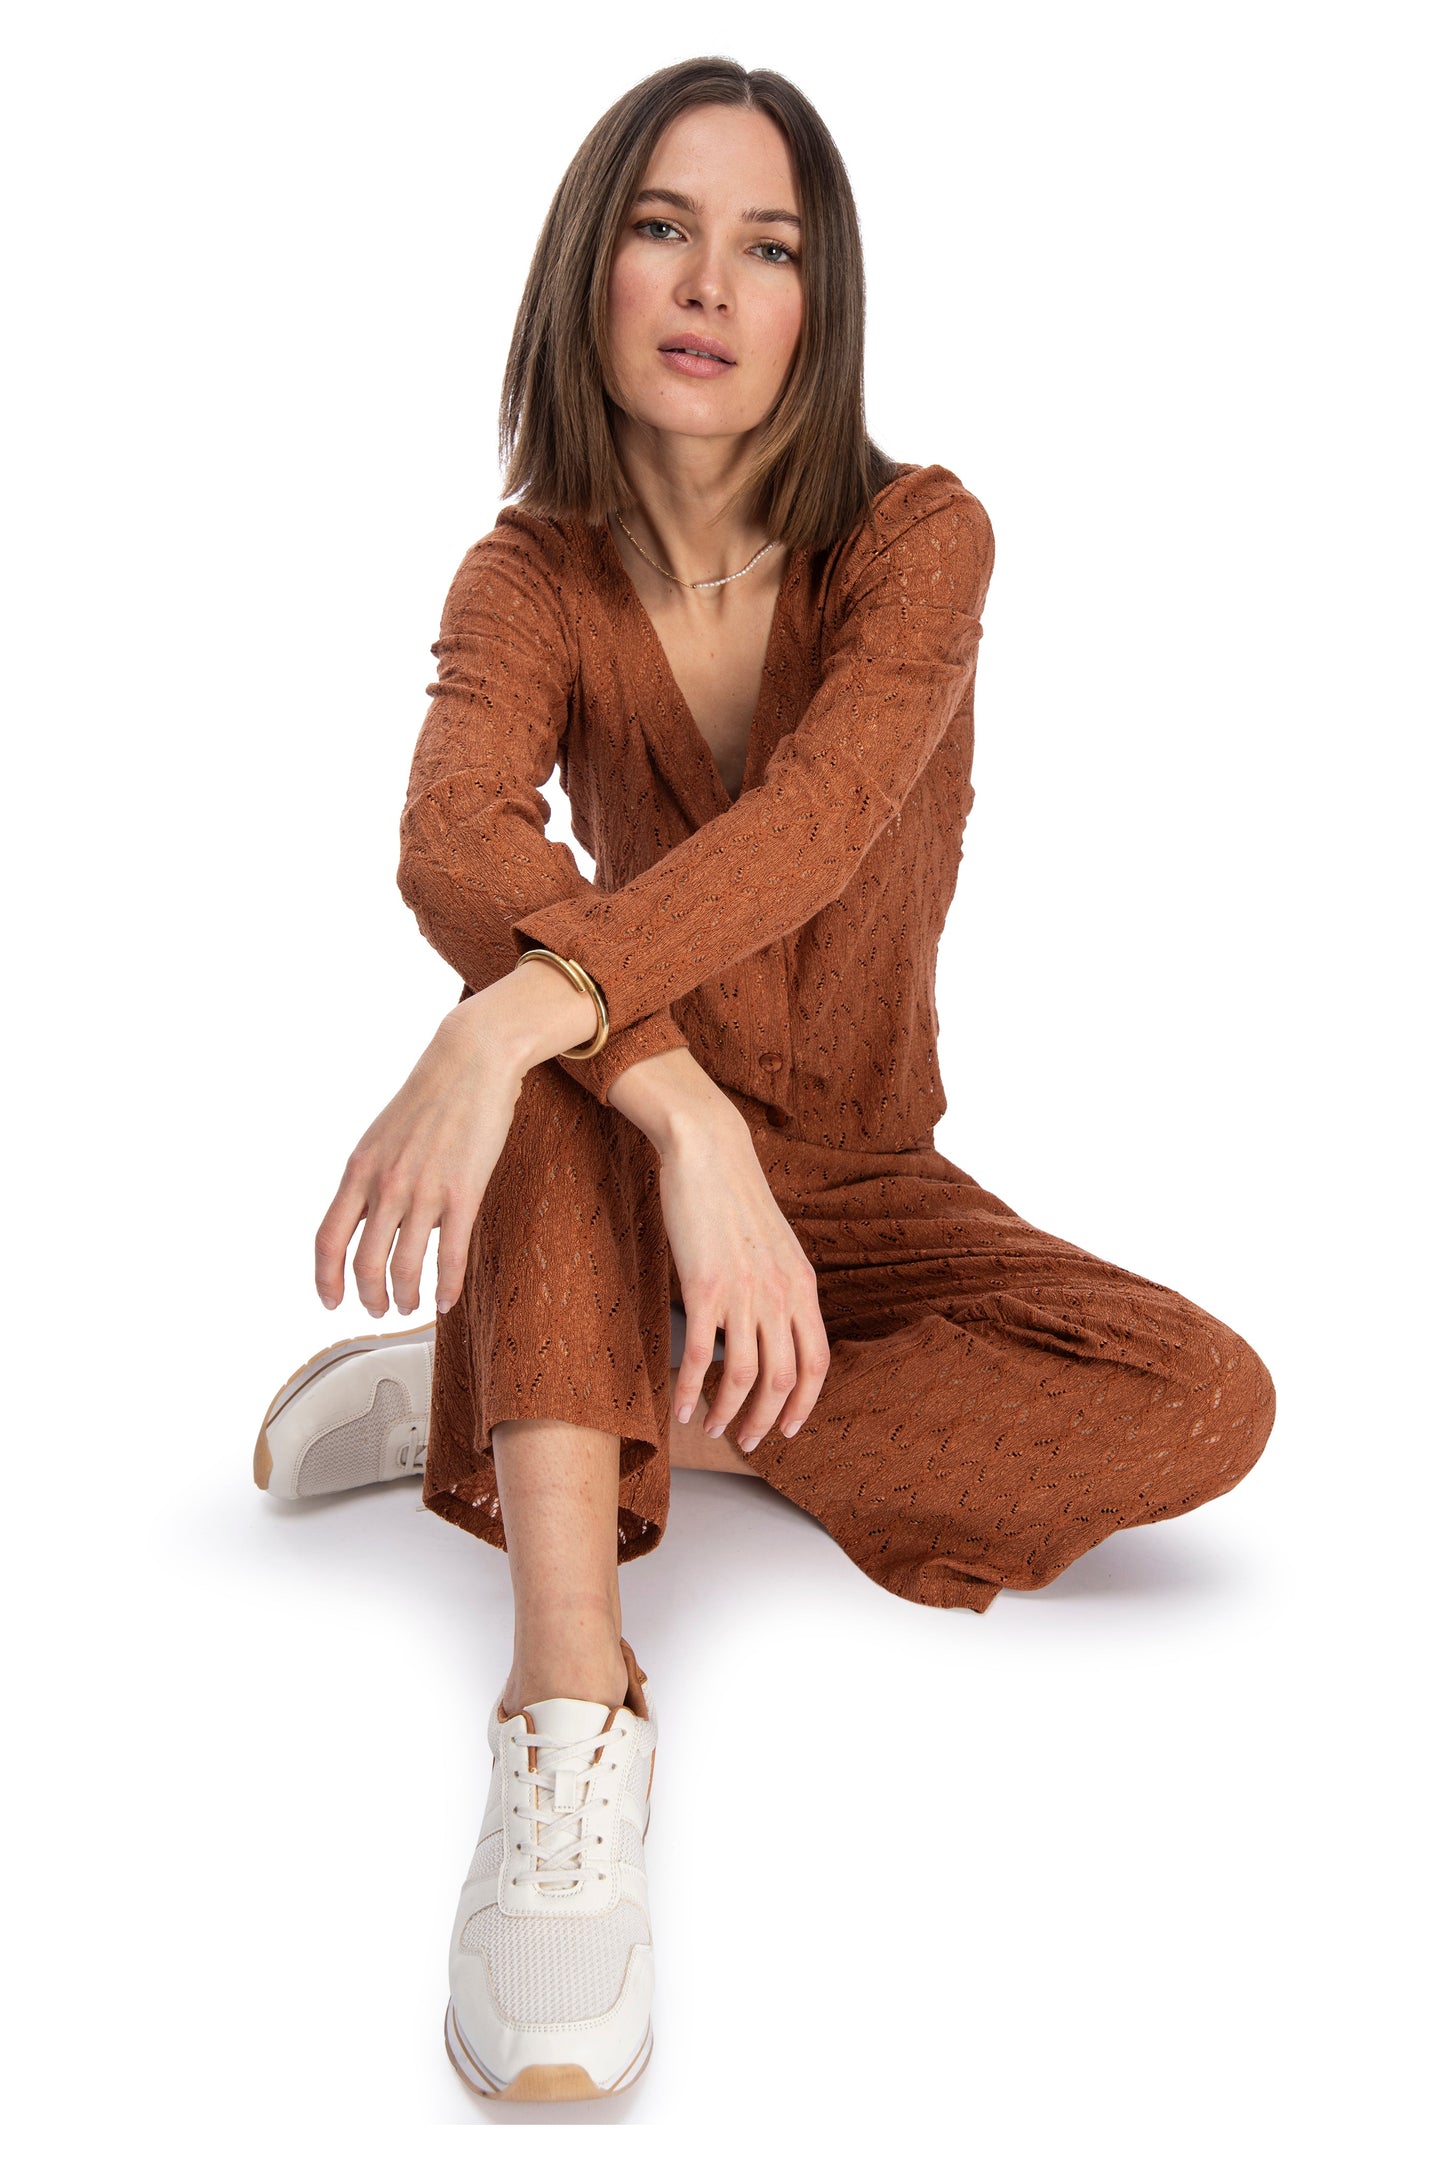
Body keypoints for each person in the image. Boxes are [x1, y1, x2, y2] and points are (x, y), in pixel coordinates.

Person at [254, 59, 1277, 2105]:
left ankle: (543, 1384)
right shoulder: (525, 574)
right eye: (662, 222)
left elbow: (812, 825)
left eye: (770, 242)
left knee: (1205, 1402)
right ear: (593, 265)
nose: (710, 280)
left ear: (824, 300)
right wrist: (670, 1097)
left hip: (877, 1177)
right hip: (638, 1151)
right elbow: (459, 837)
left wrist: (514, 1001)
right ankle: (570, 1711)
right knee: (567, 1085)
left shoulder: (919, 540)